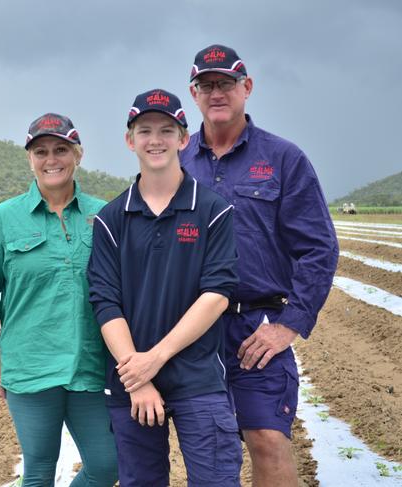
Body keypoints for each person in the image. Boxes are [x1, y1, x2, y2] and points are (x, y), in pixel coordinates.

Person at [180, 44, 339, 486]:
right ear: (193, 94)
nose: (216, 93)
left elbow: (319, 248)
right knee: (208, 445)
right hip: (193, 327)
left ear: (246, 88)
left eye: (226, 83)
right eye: (206, 85)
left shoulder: (283, 158)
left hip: (256, 324)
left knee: (268, 440)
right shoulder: (176, 161)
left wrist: (289, 324)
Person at [88, 89, 242, 486]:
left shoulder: (213, 210)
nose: (155, 140)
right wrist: (137, 376)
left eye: (166, 130)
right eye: (144, 131)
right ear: (130, 140)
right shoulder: (111, 218)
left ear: (183, 138)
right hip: (131, 382)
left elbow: (217, 295)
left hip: (198, 378)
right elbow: (106, 303)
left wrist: (153, 360)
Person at [0, 113, 118, 487]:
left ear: (77, 155)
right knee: (37, 471)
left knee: (107, 464)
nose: (52, 159)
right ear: (30, 159)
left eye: (61, 150)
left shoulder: (104, 215)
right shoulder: (3, 219)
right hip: (30, 365)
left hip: (90, 364)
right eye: (41, 151)